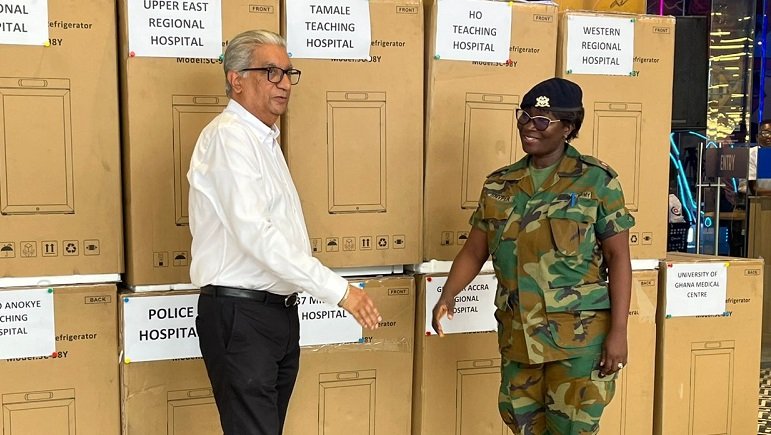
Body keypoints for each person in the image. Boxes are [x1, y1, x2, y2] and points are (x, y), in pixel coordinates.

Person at [187, 30, 382, 435]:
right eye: (271, 72)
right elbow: (256, 234)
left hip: (274, 312)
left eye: (289, 73)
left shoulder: (265, 140)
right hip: (241, 314)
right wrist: (339, 290)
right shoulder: (229, 137)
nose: (285, 83)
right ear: (236, 78)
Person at [432, 78, 634, 434]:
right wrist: (447, 295)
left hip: (578, 341)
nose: (529, 126)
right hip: (518, 335)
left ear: (568, 127)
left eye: (542, 120)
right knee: (522, 424)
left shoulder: (596, 181)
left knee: (572, 428)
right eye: (523, 116)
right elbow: (475, 249)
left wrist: (619, 331)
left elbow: (619, 258)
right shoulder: (499, 184)